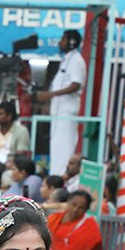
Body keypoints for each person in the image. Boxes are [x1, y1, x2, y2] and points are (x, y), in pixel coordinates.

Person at [39, 30, 87, 175]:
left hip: (67, 113)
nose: (60, 42)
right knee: (56, 149)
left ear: (72, 42)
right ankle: (55, 176)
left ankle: (61, 177)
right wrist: (49, 101)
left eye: (63, 40)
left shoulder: (77, 60)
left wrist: (50, 95)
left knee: (64, 148)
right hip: (58, 114)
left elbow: (76, 84)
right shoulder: (66, 60)